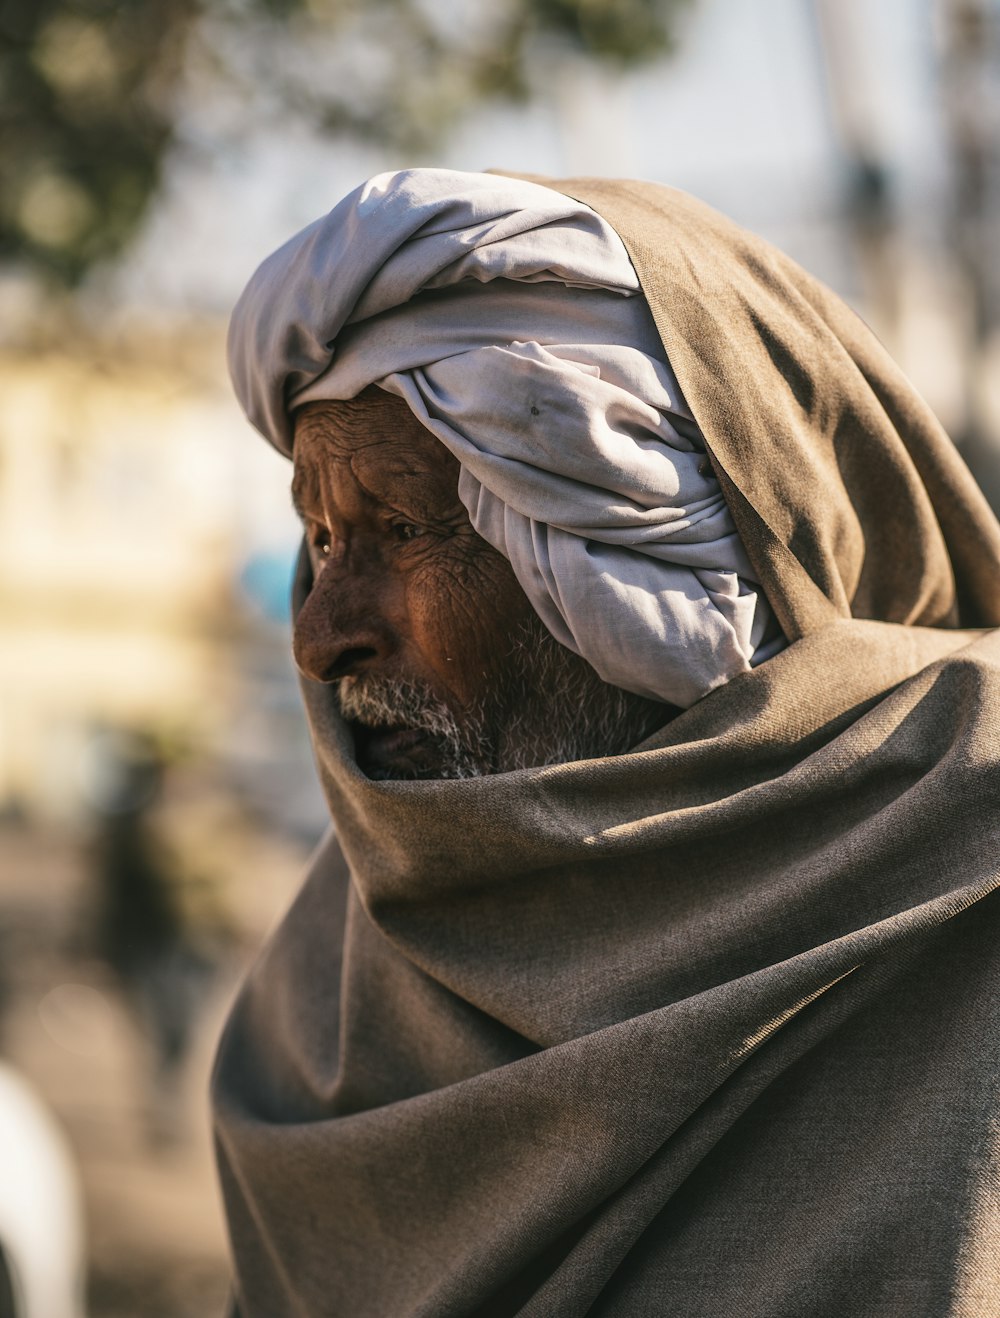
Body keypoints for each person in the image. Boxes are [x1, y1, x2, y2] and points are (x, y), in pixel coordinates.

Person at [214, 169, 1000, 1317]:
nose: (320, 638)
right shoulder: (329, 998)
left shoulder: (970, 884)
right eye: (321, 539)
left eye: (400, 526)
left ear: (669, 568)